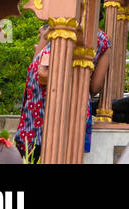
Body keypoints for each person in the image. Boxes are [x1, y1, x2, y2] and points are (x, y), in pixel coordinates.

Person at [15, 26, 110, 162]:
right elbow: (95, 86)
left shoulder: (57, 24)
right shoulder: (102, 40)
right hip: (70, 107)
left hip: (35, 109)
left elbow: (34, 66)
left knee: (32, 154)